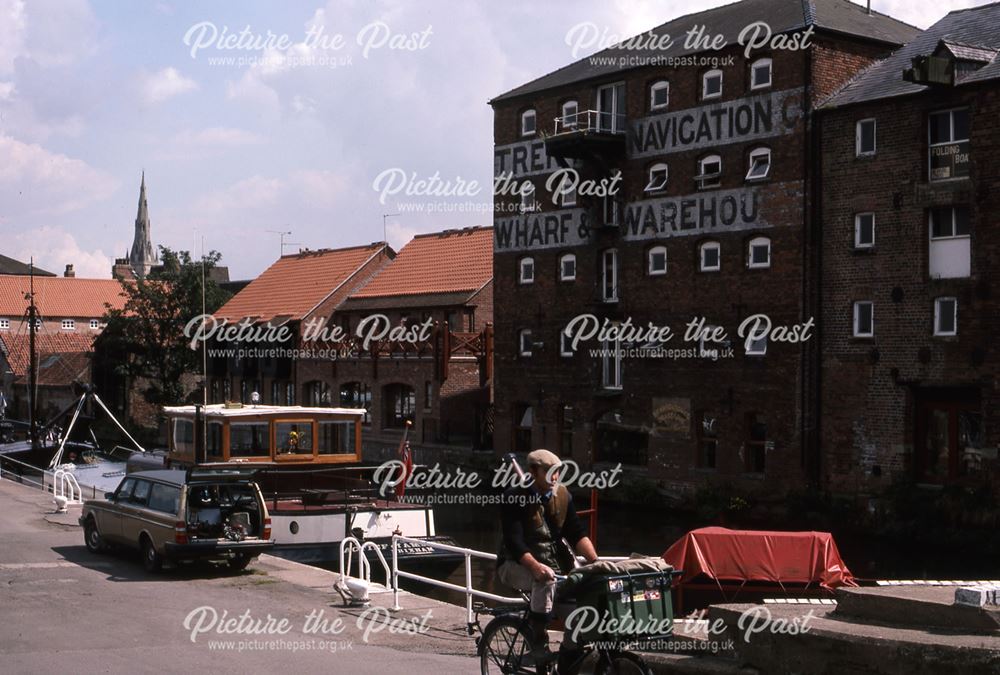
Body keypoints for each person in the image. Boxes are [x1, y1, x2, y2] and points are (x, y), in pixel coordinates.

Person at [496, 449, 598, 667]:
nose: (554, 477)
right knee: (544, 579)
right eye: (549, 472)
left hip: (554, 564)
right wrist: (535, 566)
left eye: (557, 472)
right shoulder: (512, 498)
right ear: (533, 471)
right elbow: (514, 542)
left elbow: (576, 533)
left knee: (579, 615)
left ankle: (568, 657)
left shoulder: (563, 496)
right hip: (514, 564)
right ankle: (538, 643)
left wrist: (595, 561)